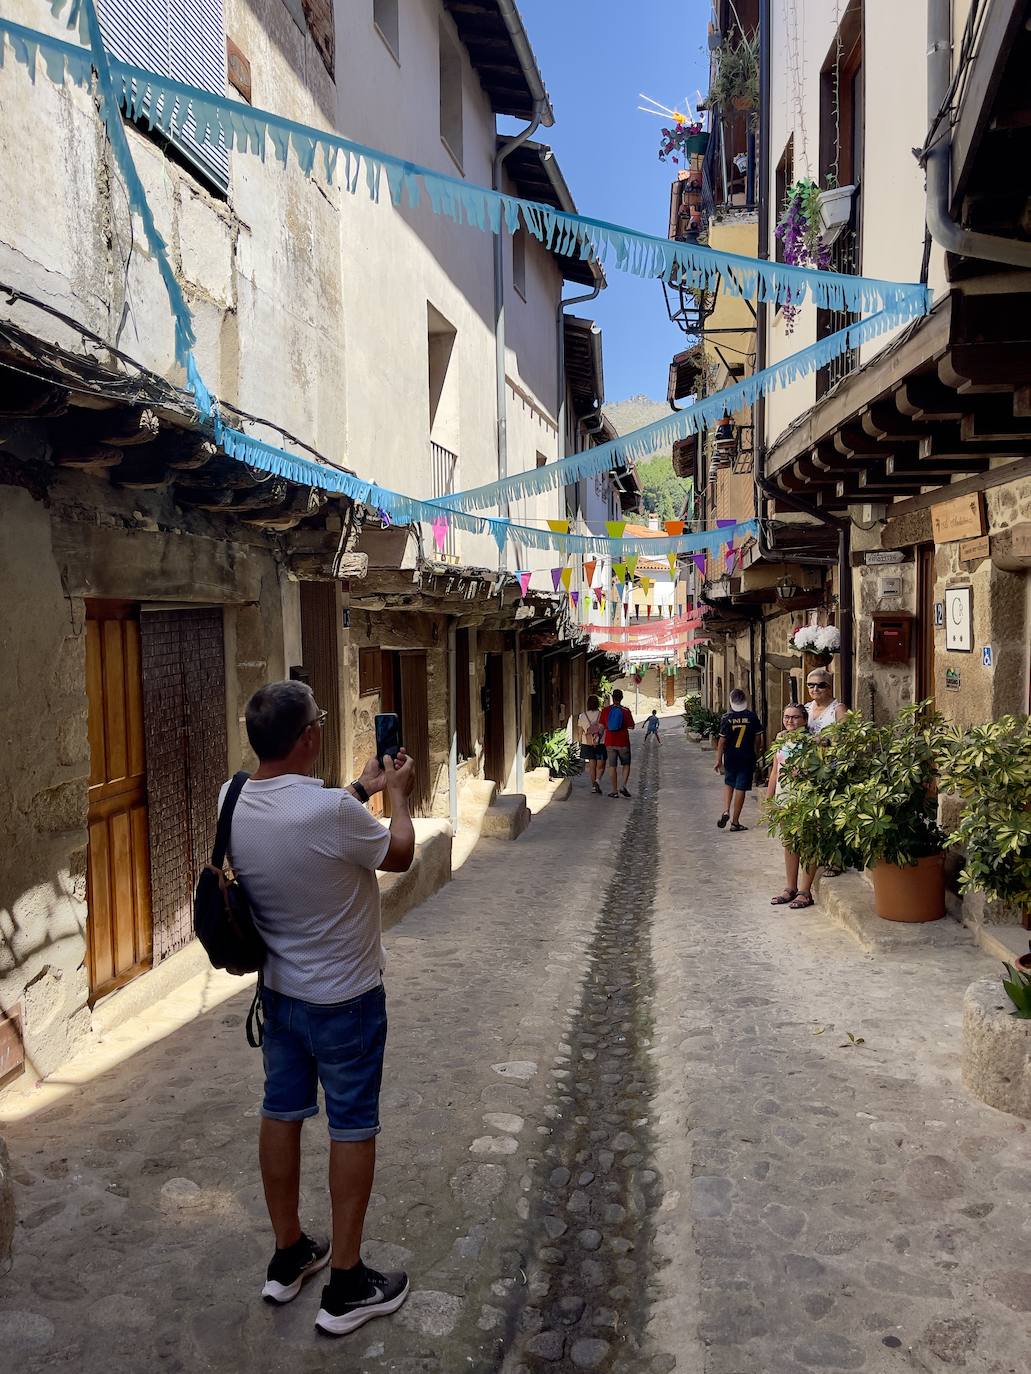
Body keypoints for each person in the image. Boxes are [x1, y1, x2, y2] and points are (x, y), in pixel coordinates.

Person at [219, 681, 416, 1338]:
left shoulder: (233, 797)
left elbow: (310, 826)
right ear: (309, 737)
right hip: (346, 1000)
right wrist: (401, 798)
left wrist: (362, 790)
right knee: (351, 1126)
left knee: (281, 1112)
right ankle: (347, 1284)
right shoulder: (333, 813)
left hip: (279, 994)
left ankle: (289, 1252)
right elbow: (399, 854)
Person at [766, 703, 817, 909]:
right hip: (784, 796)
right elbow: (774, 771)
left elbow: (818, 769)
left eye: (795, 717)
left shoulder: (812, 741)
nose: (790, 721)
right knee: (789, 843)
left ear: (804, 720)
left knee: (808, 843)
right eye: (787, 717)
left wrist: (803, 773)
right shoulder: (780, 739)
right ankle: (790, 887)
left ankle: (805, 891)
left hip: (804, 797)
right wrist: (770, 800)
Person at [713, 688, 764, 831]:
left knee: (729, 783)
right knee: (741, 787)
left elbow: (722, 741)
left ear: (731, 701)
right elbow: (758, 737)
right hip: (746, 756)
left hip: (730, 756)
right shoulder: (752, 717)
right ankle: (735, 822)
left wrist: (719, 759)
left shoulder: (726, 718)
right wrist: (757, 751)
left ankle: (725, 810)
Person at [601, 687, 635, 798]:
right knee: (626, 764)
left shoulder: (606, 710)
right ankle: (623, 786)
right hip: (623, 742)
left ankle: (614, 790)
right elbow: (631, 726)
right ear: (621, 698)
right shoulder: (625, 711)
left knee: (612, 766)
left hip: (609, 742)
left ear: (612, 697)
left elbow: (601, 726)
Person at [577, 694, 607, 794]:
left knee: (592, 766)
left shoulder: (582, 715)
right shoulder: (602, 714)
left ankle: (594, 786)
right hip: (600, 742)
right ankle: (598, 780)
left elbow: (580, 730)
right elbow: (606, 728)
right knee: (601, 766)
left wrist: (580, 741)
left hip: (587, 743)